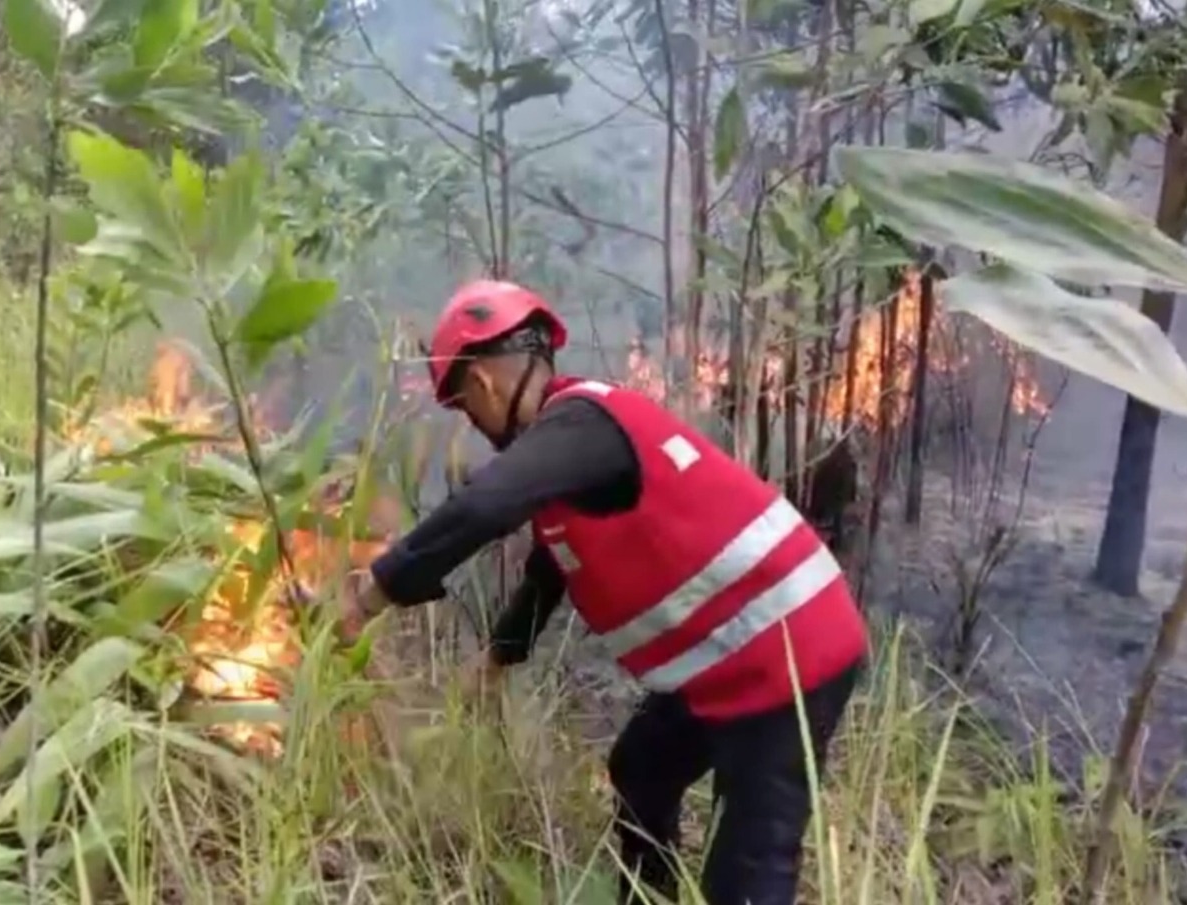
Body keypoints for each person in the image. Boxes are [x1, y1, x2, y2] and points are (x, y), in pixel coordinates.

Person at [340, 279, 869, 905]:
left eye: (463, 408)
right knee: (641, 769)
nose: (474, 426)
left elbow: (483, 506)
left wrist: (373, 594)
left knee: (748, 870)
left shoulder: (584, 422)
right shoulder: (572, 458)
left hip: (791, 658)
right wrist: (499, 657)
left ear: (481, 383)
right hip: (725, 663)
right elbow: (554, 563)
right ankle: (648, 897)